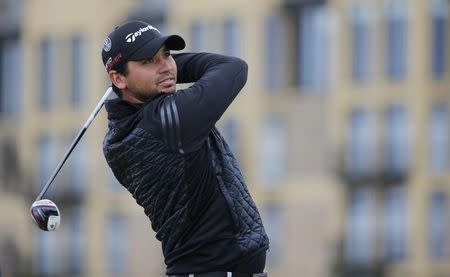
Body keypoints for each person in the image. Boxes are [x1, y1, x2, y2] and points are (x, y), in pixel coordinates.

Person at [101, 20, 269, 277]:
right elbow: (233, 68)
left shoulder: (120, 134)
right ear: (118, 78)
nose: (167, 66)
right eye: (148, 61)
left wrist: (159, 68)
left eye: (167, 55)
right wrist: (171, 68)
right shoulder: (168, 121)